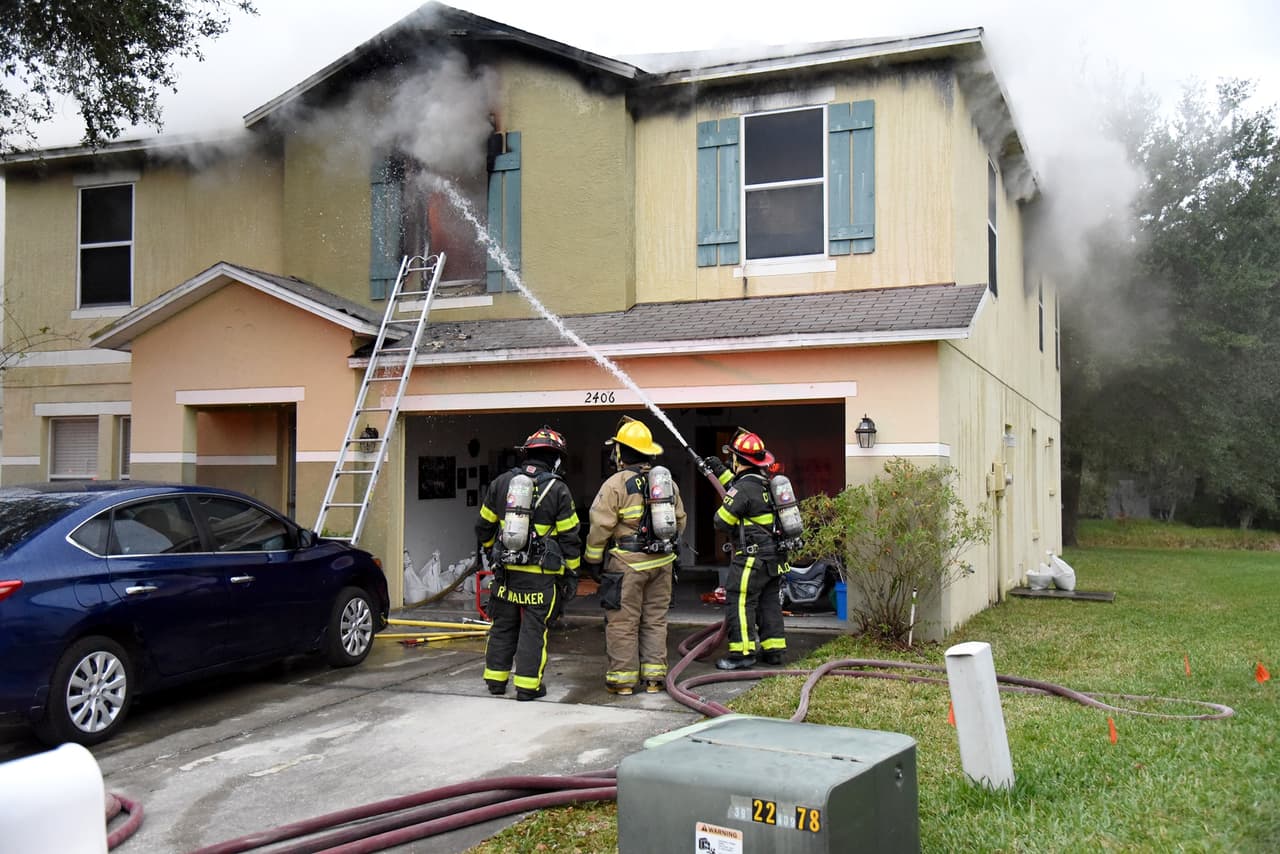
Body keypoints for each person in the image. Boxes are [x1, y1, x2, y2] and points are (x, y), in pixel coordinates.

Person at [476, 426, 582, 701]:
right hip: (541, 577)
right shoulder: (558, 489)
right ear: (556, 459)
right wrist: (573, 572)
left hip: (505, 574)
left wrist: (492, 551)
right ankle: (527, 686)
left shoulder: (501, 483)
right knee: (533, 630)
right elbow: (570, 537)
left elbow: (483, 526)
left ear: (527, 455)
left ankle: (495, 681)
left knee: (502, 625)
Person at [583, 417, 687, 696]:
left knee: (623, 622)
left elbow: (600, 526)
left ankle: (623, 681)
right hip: (662, 563)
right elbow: (679, 521)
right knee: (655, 620)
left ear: (620, 452)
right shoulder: (667, 483)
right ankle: (654, 679)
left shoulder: (615, 484)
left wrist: (593, 560)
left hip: (627, 564)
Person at [703, 428, 790, 670]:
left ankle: (742, 654)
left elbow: (721, 521)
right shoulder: (765, 483)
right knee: (769, 602)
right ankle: (774, 650)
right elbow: (736, 487)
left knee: (739, 600)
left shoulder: (743, 489)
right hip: (774, 556)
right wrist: (717, 471)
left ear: (736, 459)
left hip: (752, 557)